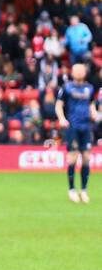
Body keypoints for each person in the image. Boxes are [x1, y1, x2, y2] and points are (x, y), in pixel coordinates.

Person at [55, 62, 100, 202]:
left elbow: (91, 104)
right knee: (73, 157)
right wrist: (62, 119)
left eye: (81, 70)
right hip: (73, 126)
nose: (79, 72)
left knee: (86, 157)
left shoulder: (90, 88)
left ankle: (84, 189)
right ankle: (72, 189)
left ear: (84, 73)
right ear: (72, 73)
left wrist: (94, 113)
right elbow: (58, 105)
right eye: (76, 70)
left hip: (86, 127)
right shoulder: (67, 88)